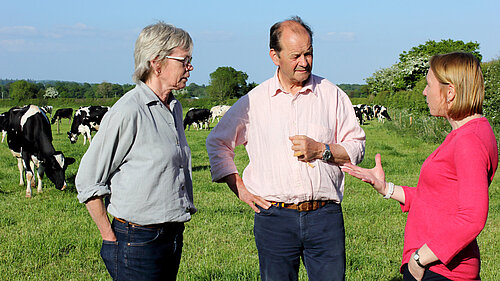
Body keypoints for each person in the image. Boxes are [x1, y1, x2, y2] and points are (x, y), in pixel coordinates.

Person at [206, 16, 366, 281]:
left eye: (309, 53)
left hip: (324, 216)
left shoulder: (332, 95)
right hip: (274, 218)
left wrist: (321, 150)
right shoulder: (254, 102)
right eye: (295, 56)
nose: (304, 62)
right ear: (274, 56)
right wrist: (241, 190)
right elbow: (217, 142)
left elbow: (356, 147)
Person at [342, 52, 498, 281]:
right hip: (438, 267)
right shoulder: (468, 133)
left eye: (428, 85)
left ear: (450, 93)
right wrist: (386, 188)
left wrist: (419, 259)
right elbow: (437, 200)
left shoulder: (468, 141)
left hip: (442, 271)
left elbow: (472, 218)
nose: (424, 92)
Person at [75, 21, 196, 281]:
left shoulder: (173, 108)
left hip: (172, 236)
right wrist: (110, 239)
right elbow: (87, 180)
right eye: (184, 60)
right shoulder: (128, 110)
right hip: (136, 241)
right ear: (157, 63)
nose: (190, 67)